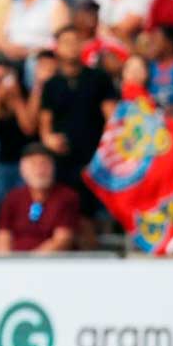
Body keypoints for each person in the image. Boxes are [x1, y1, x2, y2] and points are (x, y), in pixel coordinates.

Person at [39, 25, 118, 219]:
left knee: (96, 213)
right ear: (57, 47)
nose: (72, 46)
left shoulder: (99, 78)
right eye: (66, 42)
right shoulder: (51, 84)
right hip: (63, 159)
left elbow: (112, 117)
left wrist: (105, 151)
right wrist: (49, 140)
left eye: (76, 41)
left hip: (95, 158)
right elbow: (45, 123)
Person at [0, 143, 79, 253]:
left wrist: (32, 260)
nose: (40, 170)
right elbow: (3, 235)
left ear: (53, 167)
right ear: (23, 168)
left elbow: (62, 240)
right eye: (34, 164)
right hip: (15, 260)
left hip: (51, 261)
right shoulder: (13, 197)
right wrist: (7, 258)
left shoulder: (66, 197)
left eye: (44, 164)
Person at [0, 59, 41, 204]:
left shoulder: (27, 98)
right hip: (3, 161)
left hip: (25, 160)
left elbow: (28, 128)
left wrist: (16, 99)